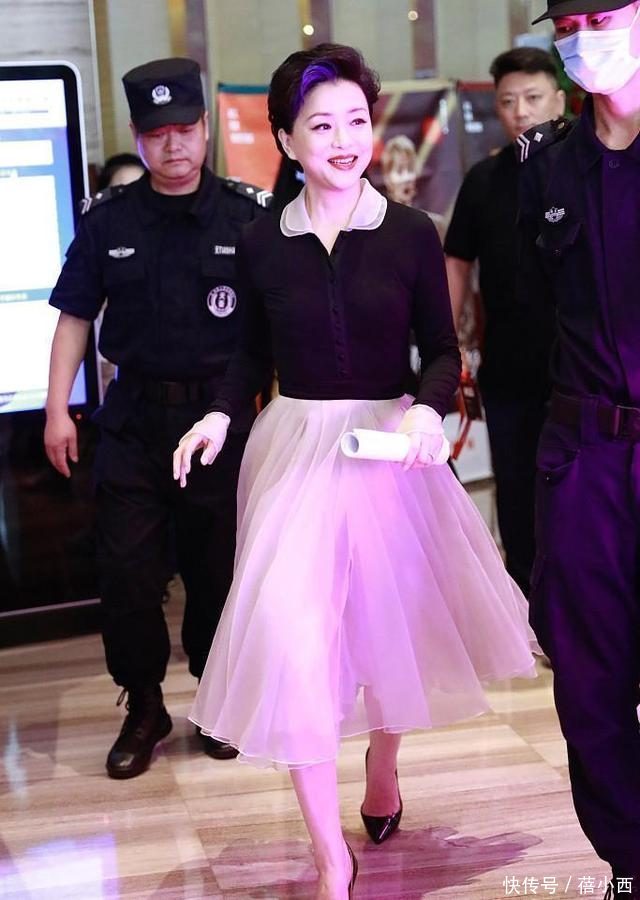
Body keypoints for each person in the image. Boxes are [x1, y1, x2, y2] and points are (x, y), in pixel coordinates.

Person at [174, 44, 538, 900]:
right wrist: (219, 415)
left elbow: (441, 351)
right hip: (296, 450)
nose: (343, 141)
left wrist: (426, 410)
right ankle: (328, 856)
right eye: (321, 126)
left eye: (355, 122)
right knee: (294, 640)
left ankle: (383, 765)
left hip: (388, 449)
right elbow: (247, 355)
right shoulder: (260, 242)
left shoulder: (410, 233)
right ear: (285, 140)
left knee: (387, 629)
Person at [44, 57, 271, 779]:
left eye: (184, 129)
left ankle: (215, 698)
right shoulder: (109, 220)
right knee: (127, 574)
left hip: (217, 422)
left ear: (205, 128)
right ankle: (144, 704)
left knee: (217, 571)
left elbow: (275, 327)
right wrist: (57, 409)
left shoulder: (247, 216)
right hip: (134, 422)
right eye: (156, 133)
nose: (173, 145)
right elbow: (74, 317)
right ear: (137, 137)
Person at [517, 2, 640, 896]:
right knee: (589, 679)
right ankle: (631, 863)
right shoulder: (547, 165)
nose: (585, 34)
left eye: (605, 14)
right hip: (586, 455)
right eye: (571, 21)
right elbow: (535, 316)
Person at [444, 48, 566, 595]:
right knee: (516, 493)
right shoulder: (484, 180)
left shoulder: (584, 170)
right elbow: (456, 263)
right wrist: (447, 345)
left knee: (578, 497)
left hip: (582, 372)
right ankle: (526, 609)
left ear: (559, 100)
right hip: (509, 370)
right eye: (508, 101)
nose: (521, 111)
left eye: (533, 98)